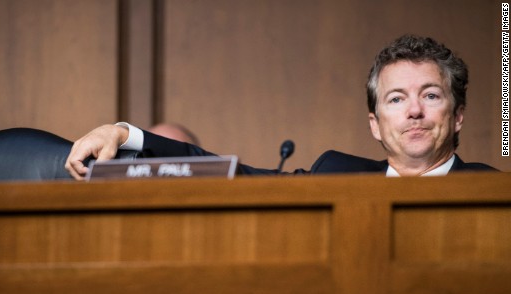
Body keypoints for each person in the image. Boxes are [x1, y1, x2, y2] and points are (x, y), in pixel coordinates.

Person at [65, 35, 497, 180]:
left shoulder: (495, 194)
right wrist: (127, 135)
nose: (414, 112)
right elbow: (234, 176)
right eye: (396, 99)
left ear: (458, 115)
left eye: (432, 95)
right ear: (376, 125)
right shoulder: (334, 173)